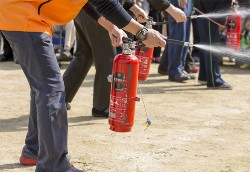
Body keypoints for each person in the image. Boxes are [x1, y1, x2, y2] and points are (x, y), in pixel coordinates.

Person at [0, 0, 166, 171]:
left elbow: (86, 2)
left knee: (43, 88)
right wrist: (142, 32)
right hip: (23, 17)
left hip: (25, 15)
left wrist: (109, 26)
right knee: (51, 91)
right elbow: (106, 4)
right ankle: (54, 166)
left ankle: (34, 150)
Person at [64, 0, 187, 117]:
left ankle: (60, 98)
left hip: (84, 8)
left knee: (84, 54)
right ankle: (102, 106)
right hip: (97, 11)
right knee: (107, 57)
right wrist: (170, 9)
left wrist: (134, 7)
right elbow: (108, 4)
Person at [194, 0, 233, 89]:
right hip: (210, 9)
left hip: (204, 7)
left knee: (207, 43)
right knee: (211, 44)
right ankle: (214, 80)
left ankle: (204, 76)